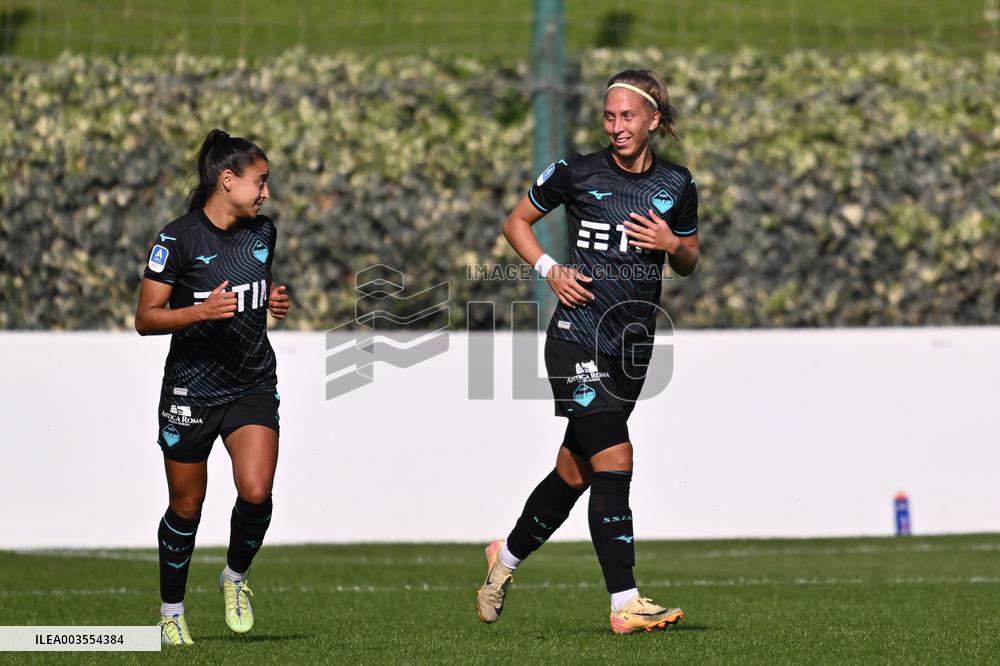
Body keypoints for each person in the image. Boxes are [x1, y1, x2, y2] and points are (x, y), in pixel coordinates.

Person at [476, 69, 700, 634]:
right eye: (609, 116)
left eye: (628, 116)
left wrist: (672, 243)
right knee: (616, 458)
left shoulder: (677, 183)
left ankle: (503, 560)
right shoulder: (577, 171)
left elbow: (690, 259)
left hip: (632, 350)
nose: (617, 127)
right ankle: (625, 602)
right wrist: (550, 270)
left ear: (653, 120)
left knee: (573, 472)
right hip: (575, 338)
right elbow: (516, 222)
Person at [135, 129, 290, 645]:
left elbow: (255, 281)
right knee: (186, 507)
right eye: (259, 181)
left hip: (251, 382)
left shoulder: (262, 232)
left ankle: (235, 577)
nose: (266, 192)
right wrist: (198, 312)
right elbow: (145, 318)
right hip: (191, 392)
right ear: (227, 180)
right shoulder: (176, 239)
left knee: (257, 492)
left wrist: (273, 298)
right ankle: (171, 613)